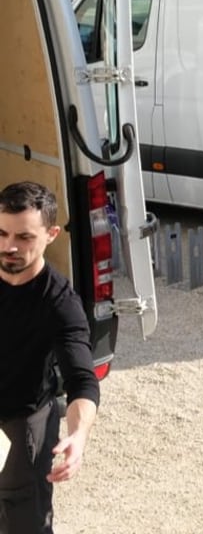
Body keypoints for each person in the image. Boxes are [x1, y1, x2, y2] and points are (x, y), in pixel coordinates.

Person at [0, 181, 100, 534]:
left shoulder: (60, 302)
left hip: (22, 422)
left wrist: (78, 435)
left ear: (51, 234)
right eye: (2, 233)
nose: (9, 246)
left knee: (23, 519)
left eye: (24, 237)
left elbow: (82, 380)